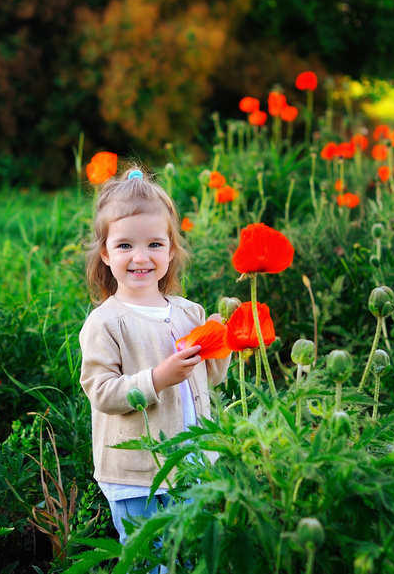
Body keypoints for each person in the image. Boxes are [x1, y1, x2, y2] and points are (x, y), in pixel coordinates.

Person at [79, 166, 232, 550]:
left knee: (188, 553)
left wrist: (221, 341)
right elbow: (102, 392)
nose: (140, 257)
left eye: (154, 244)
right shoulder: (106, 322)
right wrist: (157, 378)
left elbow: (209, 379)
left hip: (193, 467)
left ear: (171, 249)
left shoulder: (188, 312)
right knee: (150, 558)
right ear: (105, 253)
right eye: (125, 245)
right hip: (136, 476)